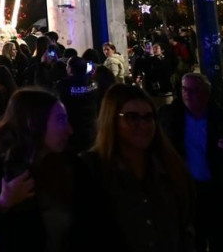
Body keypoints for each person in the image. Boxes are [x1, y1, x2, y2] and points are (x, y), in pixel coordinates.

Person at [0, 88, 85, 251]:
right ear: (33, 124)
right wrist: (2, 203)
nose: (70, 130)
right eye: (60, 120)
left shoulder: (72, 166)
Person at [81, 84, 194, 251]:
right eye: (132, 117)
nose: (143, 125)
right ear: (112, 120)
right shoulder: (91, 170)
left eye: (148, 117)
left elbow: (184, 227)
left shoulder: (168, 168)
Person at [159, 73, 223, 252]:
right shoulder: (170, 117)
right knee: (193, 243)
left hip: (218, 193)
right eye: (184, 89)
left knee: (221, 242)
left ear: (206, 93)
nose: (187, 94)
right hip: (187, 193)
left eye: (194, 90)